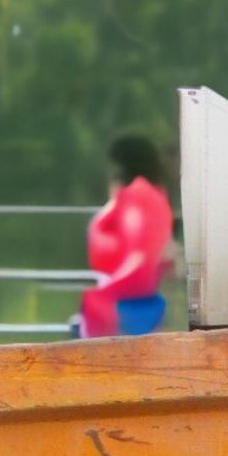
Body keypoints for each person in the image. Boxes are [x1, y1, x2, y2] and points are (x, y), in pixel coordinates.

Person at [74, 134, 174, 338]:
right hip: (129, 299)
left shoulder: (138, 197)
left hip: (121, 306)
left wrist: (102, 297)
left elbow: (141, 257)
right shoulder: (150, 197)